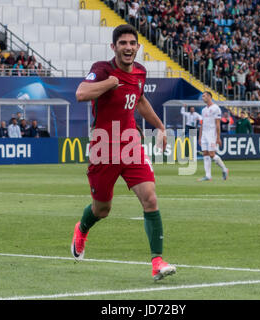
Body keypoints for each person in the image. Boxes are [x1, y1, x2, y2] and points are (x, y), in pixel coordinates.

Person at [72, 24, 176, 281]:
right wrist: (110, 83)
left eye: (132, 43)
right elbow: (81, 93)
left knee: (150, 198)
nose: (128, 48)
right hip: (103, 145)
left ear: (138, 47)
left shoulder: (141, 71)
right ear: (114, 47)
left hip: (130, 143)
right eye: (123, 44)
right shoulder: (103, 70)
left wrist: (161, 127)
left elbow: (139, 100)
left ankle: (157, 261)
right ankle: (82, 228)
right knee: (102, 209)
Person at [198, 91, 229, 182]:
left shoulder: (216, 108)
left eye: (204, 96)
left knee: (212, 154)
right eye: (202, 96)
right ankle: (208, 176)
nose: (203, 98)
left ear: (209, 97)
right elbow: (202, 124)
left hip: (212, 134)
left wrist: (218, 137)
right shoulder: (203, 110)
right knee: (205, 153)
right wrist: (200, 137)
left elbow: (217, 124)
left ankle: (224, 169)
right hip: (204, 134)